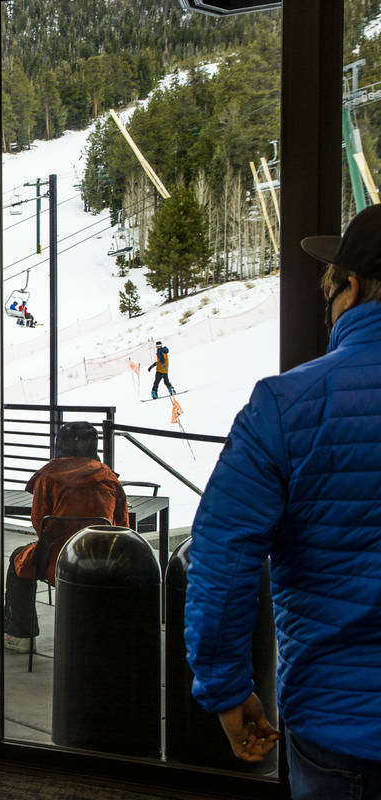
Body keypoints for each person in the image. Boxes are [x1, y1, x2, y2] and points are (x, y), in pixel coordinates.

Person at [185, 204, 381, 795]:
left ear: (347, 288)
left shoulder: (285, 405)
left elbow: (222, 558)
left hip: (339, 729)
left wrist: (225, 688)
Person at [2, 421, 128, 653]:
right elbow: (122, 525)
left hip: (59, 558)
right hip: (102, 558)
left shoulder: (49, 475)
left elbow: (40, 522)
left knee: (18, 562)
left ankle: (20, 635)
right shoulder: (108, 476)